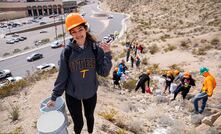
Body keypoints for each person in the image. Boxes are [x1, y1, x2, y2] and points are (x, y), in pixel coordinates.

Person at [47, 13, 112, 134]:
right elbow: (62, 76)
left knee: (90, 117)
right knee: (79, 123)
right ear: (70, 34)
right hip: (73, 95)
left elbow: (104, 72)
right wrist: (54, 97)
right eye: (73, 32)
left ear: (86, 29)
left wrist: (107, 55)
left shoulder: (95, 49)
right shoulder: (67, 52)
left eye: (80, 29)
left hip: (90, 93)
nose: (78, 34)